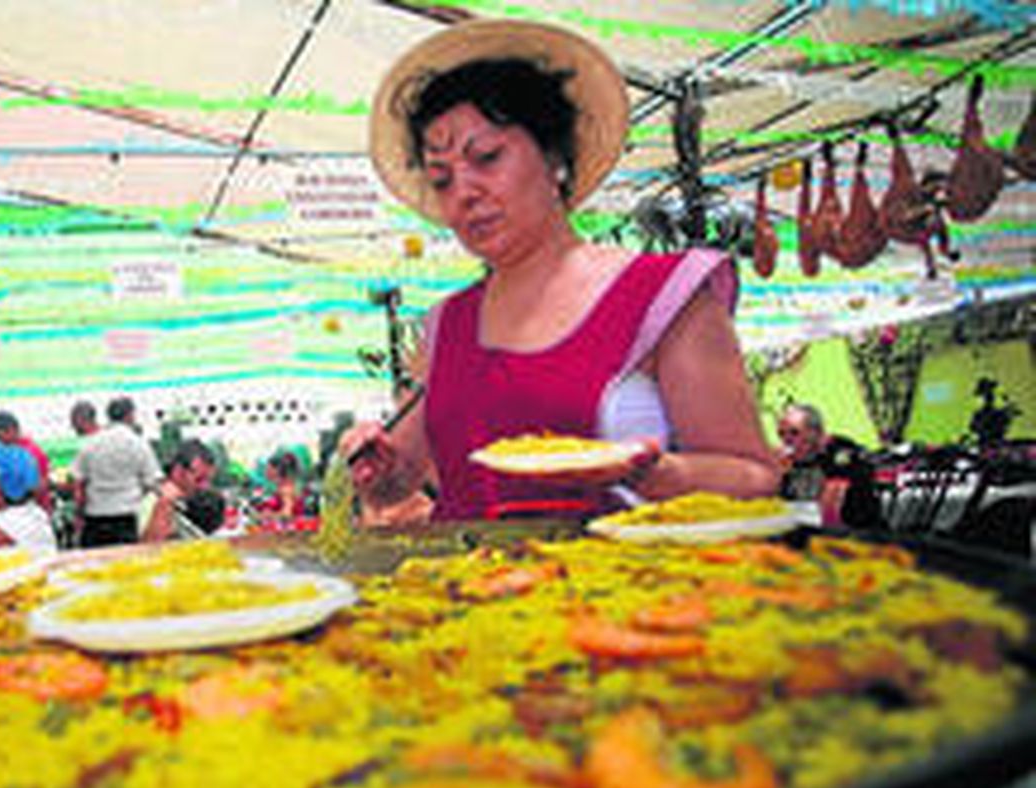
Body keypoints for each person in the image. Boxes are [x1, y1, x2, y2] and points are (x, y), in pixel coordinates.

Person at [343, 19, 778, 523]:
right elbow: (404, 482)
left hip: (623, 593)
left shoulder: (661, 296)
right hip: (463, 592)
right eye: (442, 180)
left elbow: (755, 477)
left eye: (486, 158)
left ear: (555, 157)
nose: (464, 192)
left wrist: (654, 476)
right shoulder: (446, 326)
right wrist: (378, 468)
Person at [70, 396, 162, 547]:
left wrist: (79, 515)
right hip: (126, 519)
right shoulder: (138, 444)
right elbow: (152, 482)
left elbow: (79, 486)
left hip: (94, 518)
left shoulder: (90, 444)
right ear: (130, 415)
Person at [777, 403, 882, 529]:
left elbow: (829, 513)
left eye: (795, 433)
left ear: (817, 432)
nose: (787, 441)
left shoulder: (842, 455)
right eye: (781, 434)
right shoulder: (795, 460)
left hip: (858, 536)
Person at [142, 439, 224, 542]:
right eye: (199, 479)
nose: (205, 487)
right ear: (178, 472)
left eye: (208, 480)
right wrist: (164, 505)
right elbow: (146, 549)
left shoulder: (191, 502)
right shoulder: (151, 502)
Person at [0, 411, 53, 512]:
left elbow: (41, 485)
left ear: (12, 430)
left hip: (30, 510)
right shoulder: (7, 451)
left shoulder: (30, 452)